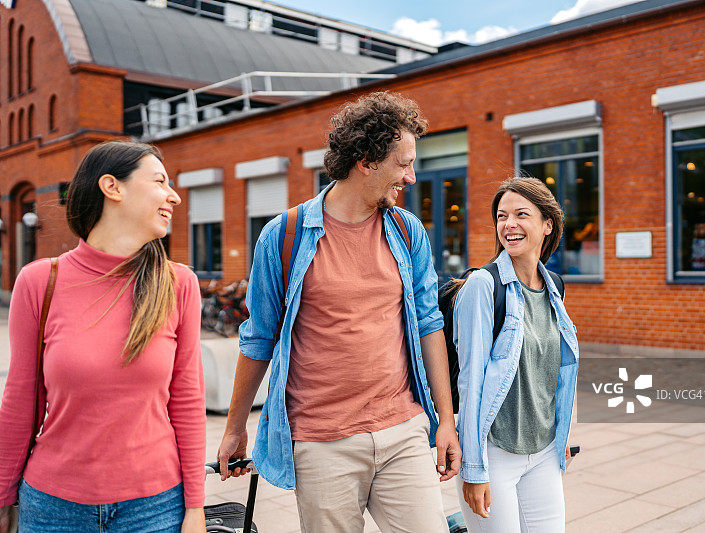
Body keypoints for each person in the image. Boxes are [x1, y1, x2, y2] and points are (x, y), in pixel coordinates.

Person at [217, 91, 461, 532]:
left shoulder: (407, 231)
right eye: (403, 164)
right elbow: (258, 338)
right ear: (366, 161)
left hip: (402, 428)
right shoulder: (285, 236)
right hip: (321, 441)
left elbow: (429, 325)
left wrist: (446, 419)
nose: (410, 176)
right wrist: (235, 429)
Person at [0, 141, 207, 533]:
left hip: (155, 509)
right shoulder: (40, 281)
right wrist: (3, 497)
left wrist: (195, 507)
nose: (174, 196)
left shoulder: (178, 283)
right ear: (112, 187)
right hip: (52, 509)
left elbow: (188, 400)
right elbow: (20, 400)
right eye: (160, 181)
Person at [453, 177, 579, 532]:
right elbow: (471, 382)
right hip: (495, 452)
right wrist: (474, 469)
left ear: (547, 224)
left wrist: (562, 432)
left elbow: (554, 371)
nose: (509, 224)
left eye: (522, 214)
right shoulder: (483, 286)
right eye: (502, 216)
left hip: (544, 451)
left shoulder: (554, 287)